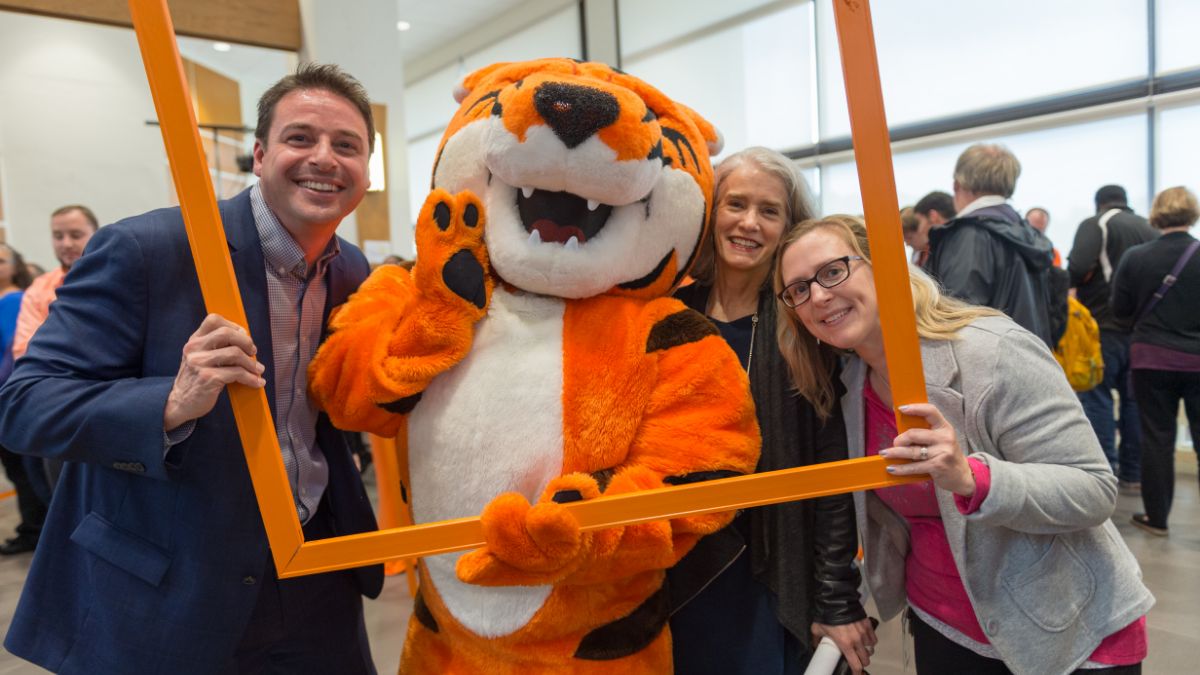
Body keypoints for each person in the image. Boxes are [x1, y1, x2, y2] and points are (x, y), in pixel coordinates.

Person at [0, 63, 383, 674]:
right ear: (259, 155)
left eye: (347, 145)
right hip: (167, 589)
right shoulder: (148, 249)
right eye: (300, 138)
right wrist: (171, 402)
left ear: (367, 168)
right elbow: (25, 405)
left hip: (316, 578)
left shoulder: (351, 269)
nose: (325, 158)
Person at [775, 215, 1152, 675]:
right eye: (797, 289)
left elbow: (1093, 490)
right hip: (943, 628)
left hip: (1064, 630)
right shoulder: (850, 386)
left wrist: (974, 478)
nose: (817, 295)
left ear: (883, 266)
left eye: (833, 271)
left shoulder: (992, 351)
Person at [668, 147, 872, 674]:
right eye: (736, 204)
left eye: (770, 211)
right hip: (674, 566)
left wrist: (835, 598)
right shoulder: (670, 315)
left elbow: (832, 475)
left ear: (788, 227)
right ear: (712, 213)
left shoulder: (803, 327)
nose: (749, 223)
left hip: (766, 570)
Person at [1111, 186, 1200, 537]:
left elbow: (1120, 311)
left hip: (1152, 358)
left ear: (1157, 213)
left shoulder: (1136, 256)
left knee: (1157, 438)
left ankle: (1157, 519)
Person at [1068, 185, 1158, 492]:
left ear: (1099, 204)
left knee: (1097, 398)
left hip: (1103, 327)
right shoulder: (1149, 228)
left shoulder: (1097, 224)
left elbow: (1077, 268)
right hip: (1143, 333)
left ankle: (1104, 473)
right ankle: (1133, 473)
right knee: (1134, 402)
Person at [925, 144, 1056, 346]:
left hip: (985, 368)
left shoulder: (970, 235)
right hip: (1029, 362)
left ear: (957, 184)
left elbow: (958, 319)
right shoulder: (1027, 233)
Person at [0, 243, 44, 556]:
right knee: (15, 469)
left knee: (25, 468)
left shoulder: (16, 300)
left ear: (15, 266)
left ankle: (35, 529)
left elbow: (12, 353)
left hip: (8, 395)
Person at [11, 204, 98, 359]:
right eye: (58, 236)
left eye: (76, 235)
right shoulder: (39, 288)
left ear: (96, 235)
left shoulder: (117, 279)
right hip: (52, 378)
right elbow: (24, 351)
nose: (66, 244)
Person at [909, 190, 955, 269]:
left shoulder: (948, 251)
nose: (919, 230)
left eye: (919, 222)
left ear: (932, 216)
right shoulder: (959, 243)